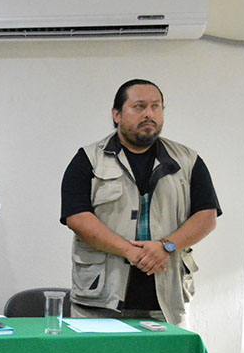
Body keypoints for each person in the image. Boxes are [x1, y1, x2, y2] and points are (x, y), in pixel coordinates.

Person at [60, 79, 221, 325]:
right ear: (116, 114)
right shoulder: (88, 159)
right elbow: (77, 218)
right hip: (99, 302)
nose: (149, 114)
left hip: (167, 302)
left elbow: (206, 217)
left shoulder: (188, 161)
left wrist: (166, 246)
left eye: (156, 106)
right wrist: (130, 251)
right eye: (139, 106)